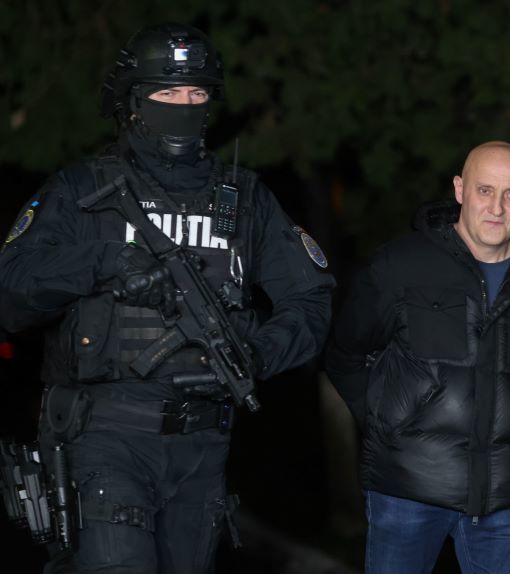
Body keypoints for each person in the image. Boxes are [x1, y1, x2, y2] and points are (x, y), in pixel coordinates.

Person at [0, 23, 334, 573]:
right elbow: (12, 290)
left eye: (196, 93)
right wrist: (104, 263)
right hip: (104, 436)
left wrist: (259, 353)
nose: (184, 106)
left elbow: (312, 300)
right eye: (168, 92)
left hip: (202, 449)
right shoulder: (83, 189)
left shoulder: (243, 198)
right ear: (134, 101)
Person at [325, 141, 510, 574]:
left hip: (505, 499)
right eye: (484, 190)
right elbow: (346, 354)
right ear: (459, 189)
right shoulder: (400, 265)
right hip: (408, 488)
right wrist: (388, 423)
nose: (497, 207)